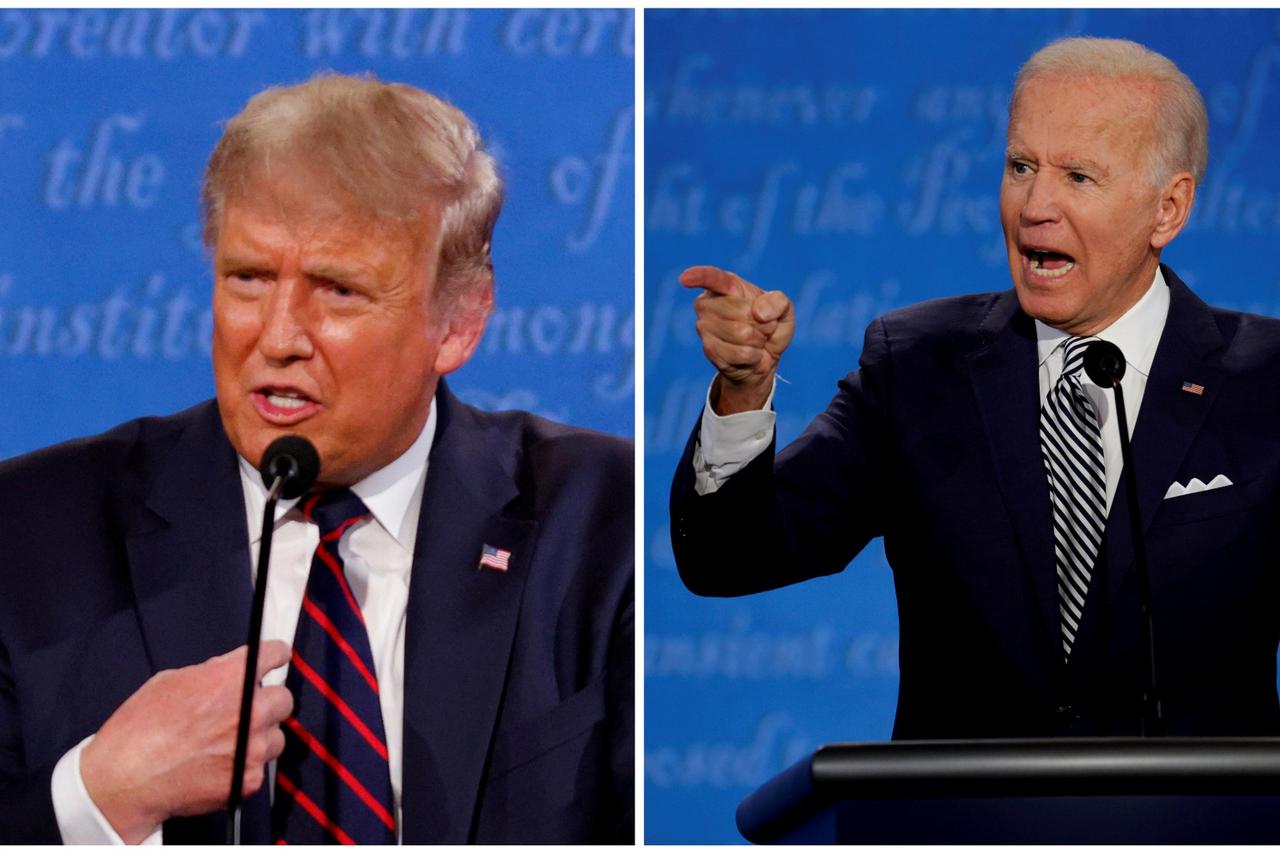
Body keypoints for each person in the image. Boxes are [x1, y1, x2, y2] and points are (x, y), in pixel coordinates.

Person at [0, 74, 633, 844]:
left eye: (337, 289)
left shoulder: (604, 523)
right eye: (248, 279)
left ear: (459, 323)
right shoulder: (28, 535)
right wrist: (96, 796)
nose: (278, 337)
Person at [671, 37, 1280, 739]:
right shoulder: (919, 367)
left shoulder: (1266, 384)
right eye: (1021, 166)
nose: (1035, 206)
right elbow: (728, 556)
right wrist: (745, 390)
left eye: (1078, 177)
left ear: (1167, 210)